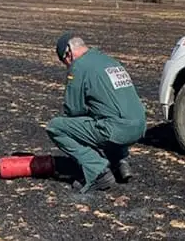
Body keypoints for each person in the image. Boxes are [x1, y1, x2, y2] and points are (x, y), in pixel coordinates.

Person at [46, 32, 147, 193]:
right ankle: (120, 162)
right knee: (105, 113)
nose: (67, 66)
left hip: (118, 130)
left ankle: (98, 172)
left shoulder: (79, 66)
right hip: (139, 126)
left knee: (56, 127)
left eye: (65, 62)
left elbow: (73, 110)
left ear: (68, 54)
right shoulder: (108, 61)